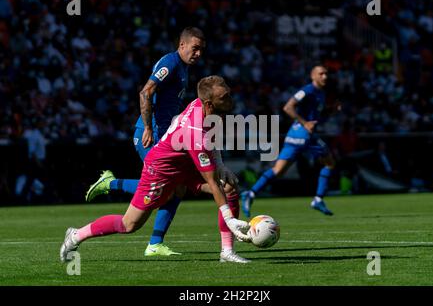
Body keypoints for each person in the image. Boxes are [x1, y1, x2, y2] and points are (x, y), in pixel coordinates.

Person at [60, 76, 251, 263]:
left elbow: (212, 136)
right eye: (224, 97)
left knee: (228, 187)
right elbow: (210, 179)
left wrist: (221, 165)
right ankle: (76, 235)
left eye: (228, 94)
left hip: (183, 164)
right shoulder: (195, 133)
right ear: (209, 104)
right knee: (129, 224)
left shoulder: (204, 107)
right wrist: (229, 219)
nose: (230, 100)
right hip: (161, 170)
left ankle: (227, 251)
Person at [85, 27, 238, 257]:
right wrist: (147, 127)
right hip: (152, 133)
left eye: (201, 50)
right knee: (166, 187)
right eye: (195, 48)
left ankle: (155, 243)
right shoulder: (171, 63)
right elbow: (146, 92)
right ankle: (111, 184)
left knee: (175, 188)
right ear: (182, 45)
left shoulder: (183, 68)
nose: (198, 54)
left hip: (168, 134)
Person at [240, 65, 340, 217]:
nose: (325, 76)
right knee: (329, 162)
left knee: (278, 171)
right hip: (304, 135)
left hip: (298, 134)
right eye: (321, 74)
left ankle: (251, 193)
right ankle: (318, 199)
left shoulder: (321, 93)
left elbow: (316, 118)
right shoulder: (307, 90)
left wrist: (330, 111)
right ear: (313, 76)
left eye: (326, 73)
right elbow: (288, 107)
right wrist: (304, 123)